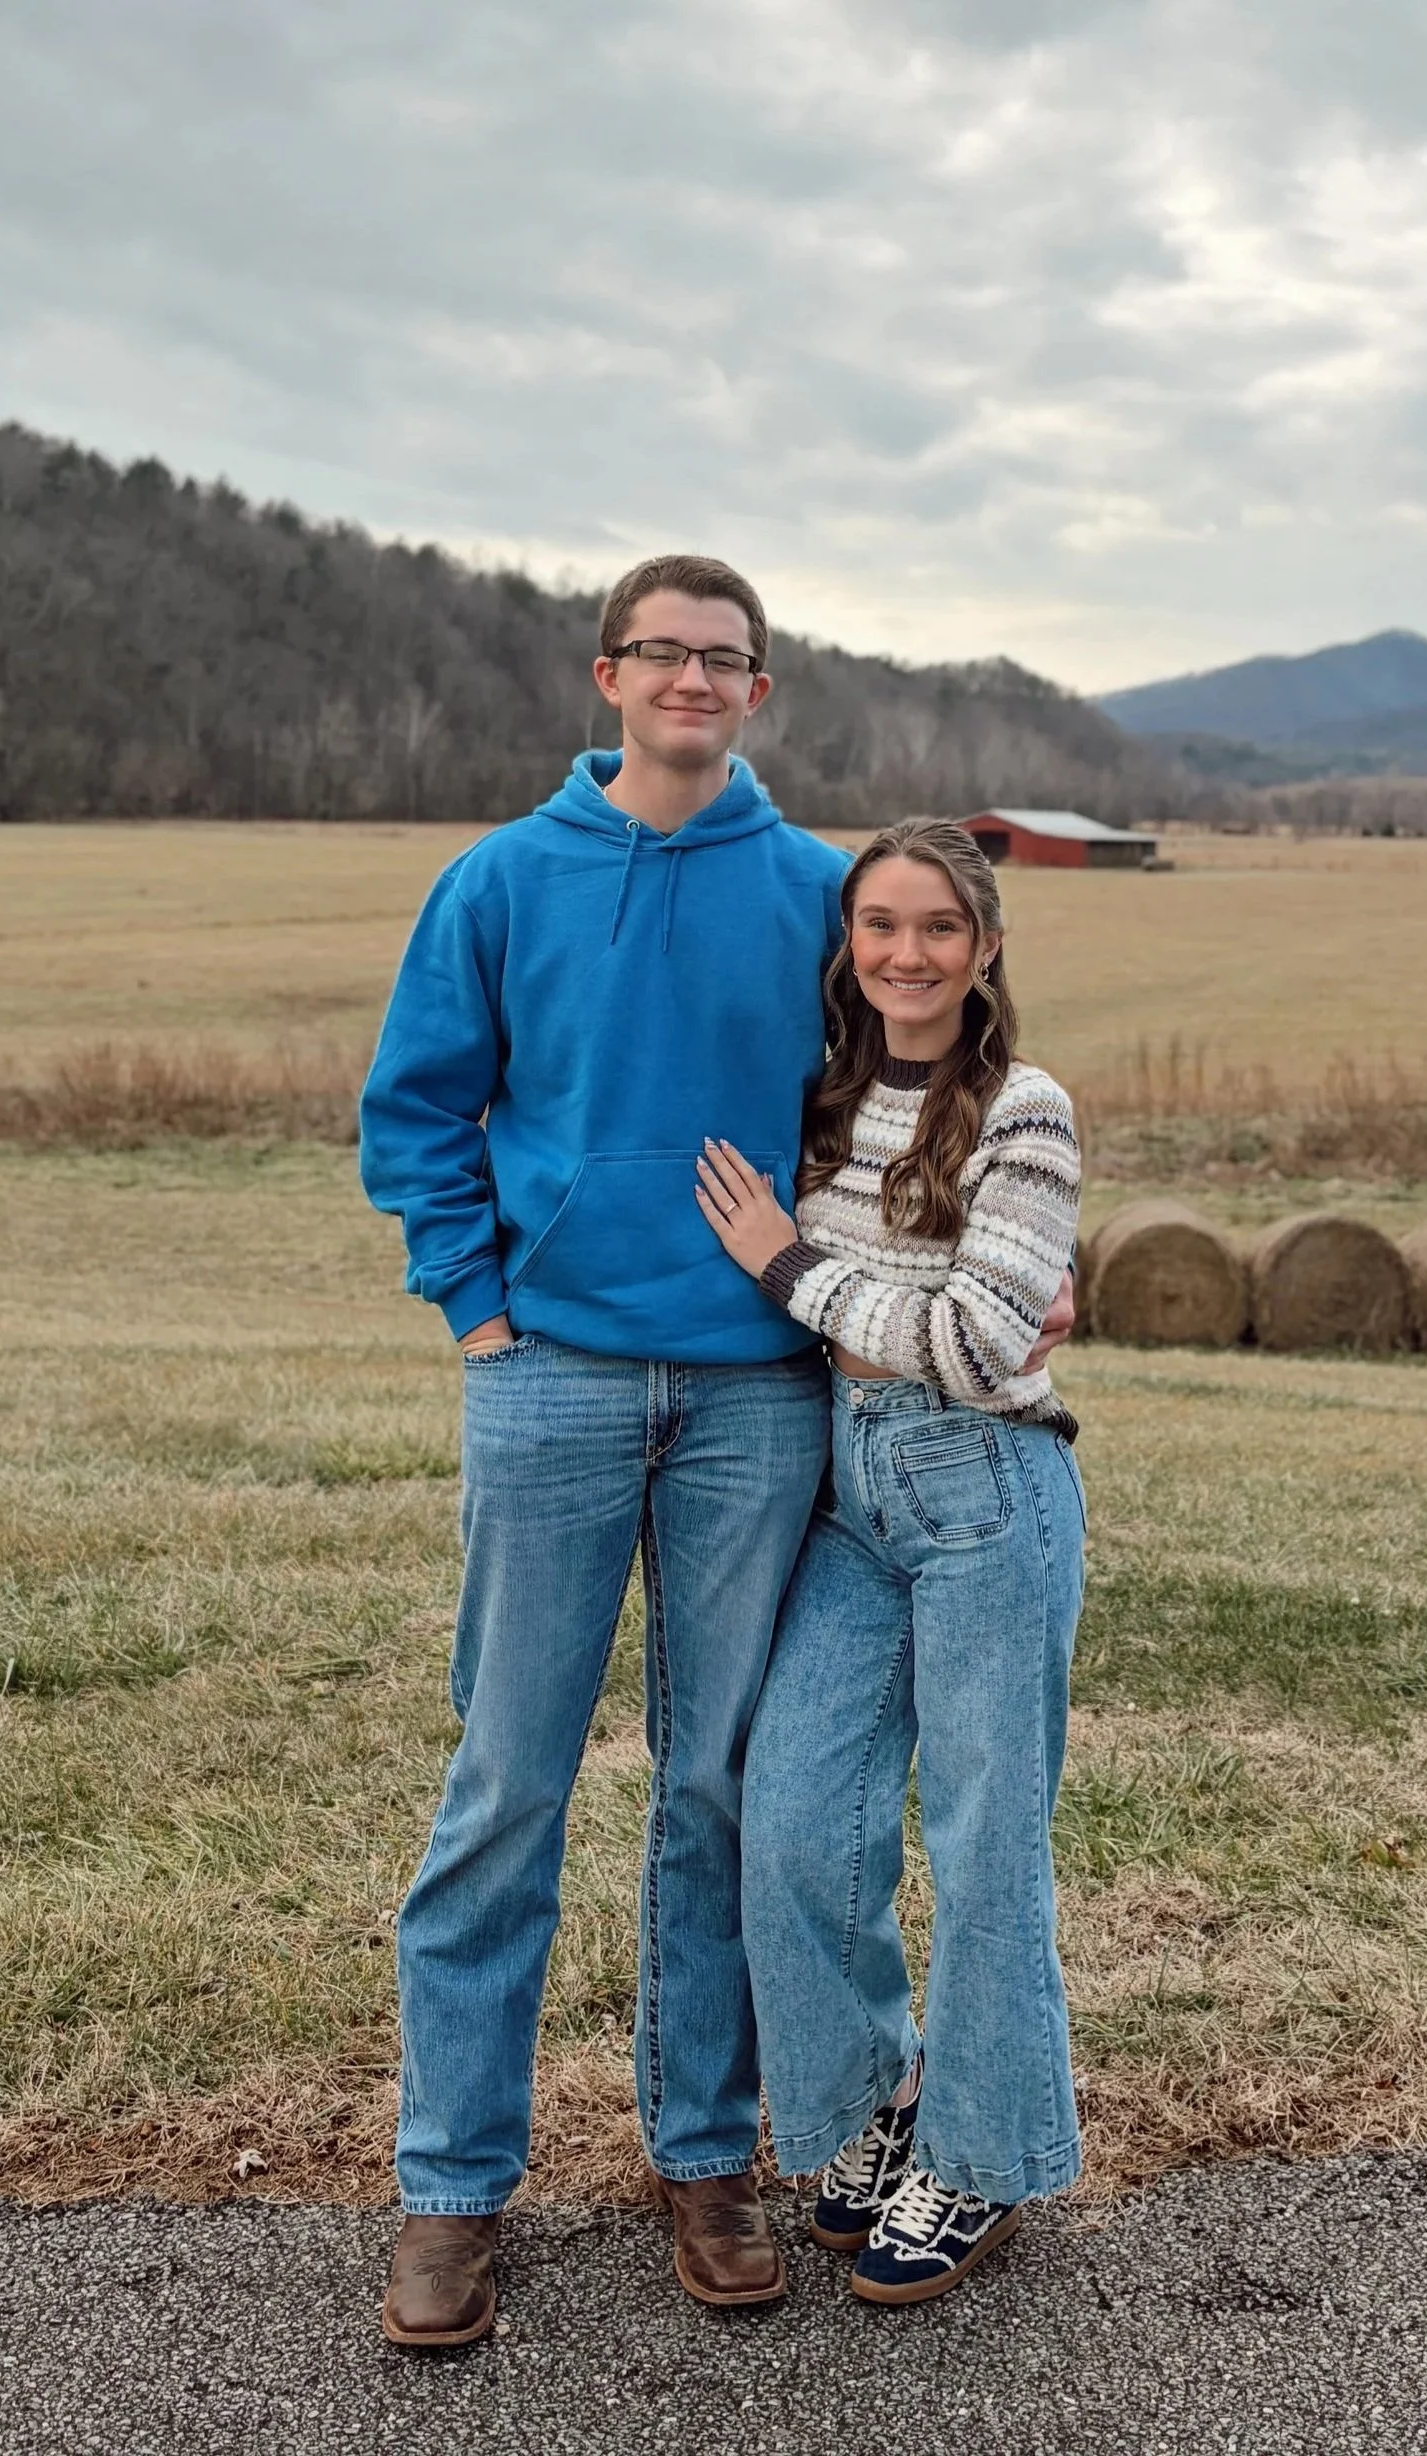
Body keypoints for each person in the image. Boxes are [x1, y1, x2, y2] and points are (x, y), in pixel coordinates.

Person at [361, 554, 847, 2344]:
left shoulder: (812, 891)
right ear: (608, 676)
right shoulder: (500, 879)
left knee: (714, 1791)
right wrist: (476, 1308)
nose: (693, 682)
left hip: (753, 1395)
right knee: (506, 1787)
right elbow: (415, 1108)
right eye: (665, 654)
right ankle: (449, 2189)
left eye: (726, 661)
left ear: (758, 692)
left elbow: (895, 1109)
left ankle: (706, 2156)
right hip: (552, 1374)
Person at [694, 816, 1088, 2306]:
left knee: (984, 1848)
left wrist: (788, 1270)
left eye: (936, 928)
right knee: (793, 1818)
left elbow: (981, 1341)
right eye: (878, 927)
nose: (905, 954)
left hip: (985, 1488)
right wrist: (865, 1297)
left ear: (984, 949)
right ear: (846, 947)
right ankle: (878, 2107)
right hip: (847, 1498)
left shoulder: (1023, 1111)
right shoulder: (823, 1100)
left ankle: (984, 2158)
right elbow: (934, 1307)